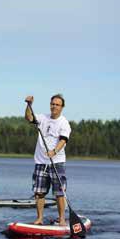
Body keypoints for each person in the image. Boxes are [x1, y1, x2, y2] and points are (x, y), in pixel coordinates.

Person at [24, 94, 71, 226]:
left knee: (59, 193)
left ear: (62, 107)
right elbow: (29, 117)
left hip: (57, 162)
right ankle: (39, 219)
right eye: (52, 104)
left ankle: (61, 219)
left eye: (57, 105)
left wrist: (54, 151)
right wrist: (29, 105)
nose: (54, 106)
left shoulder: (64, 123)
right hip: (40, 162)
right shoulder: (42, 118)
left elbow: (63, 140)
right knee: (39, 192)